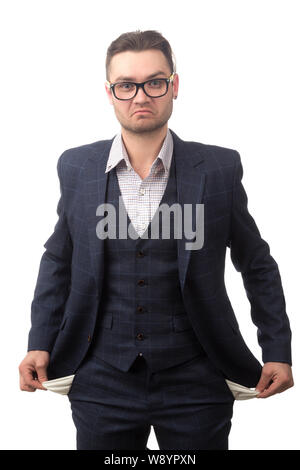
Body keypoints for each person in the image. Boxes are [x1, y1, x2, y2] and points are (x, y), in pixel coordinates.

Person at [19, 30, 293, 450]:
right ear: (110, 93)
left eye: (155, 82)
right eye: (126, 85)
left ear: (174, 86)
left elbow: (255, 262)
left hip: (197, 379)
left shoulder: (218, 168)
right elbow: (58, 258)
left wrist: (277, 348)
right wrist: (40, 341)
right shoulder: (76, 166)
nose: (140, 96)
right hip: (102, 379)